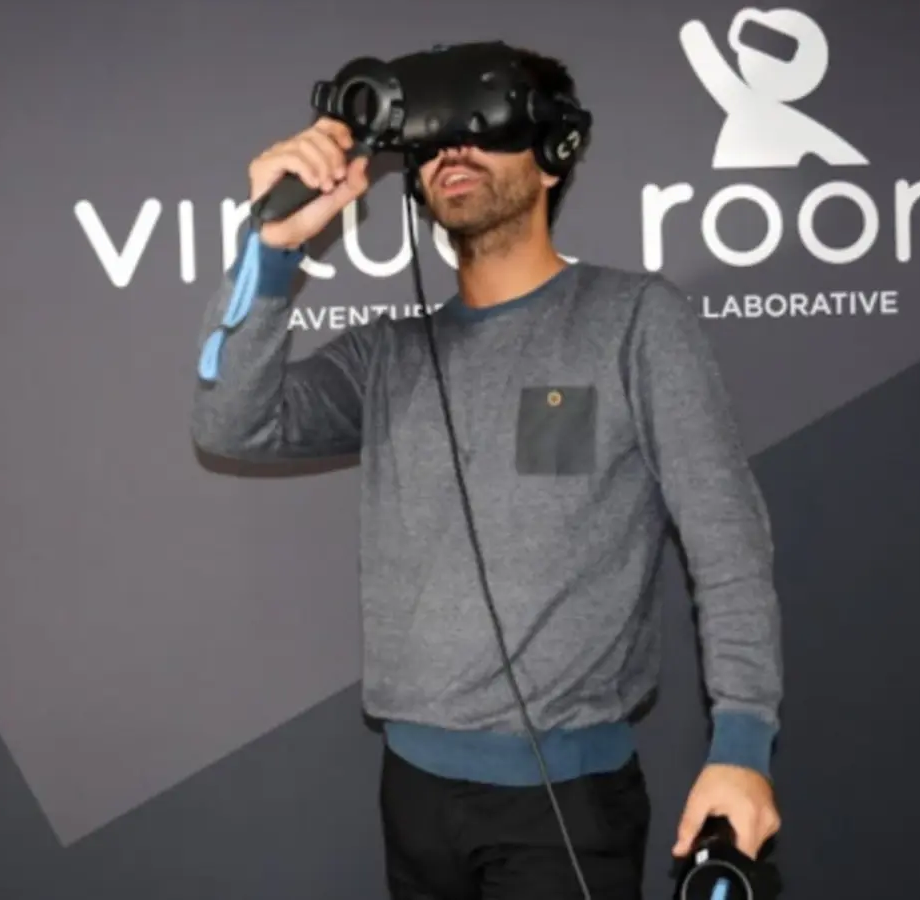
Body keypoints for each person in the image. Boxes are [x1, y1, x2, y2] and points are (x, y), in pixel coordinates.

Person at [190, 45, 782, 900]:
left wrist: (742, 748)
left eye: (480, 124)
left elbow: (727, 543)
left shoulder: (634, 321)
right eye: (431, 140)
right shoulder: (387, 356)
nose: (451, 153)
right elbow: (229, 421)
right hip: (414, 794)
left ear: (554, 153)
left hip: (564, 806)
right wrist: (271, 249)